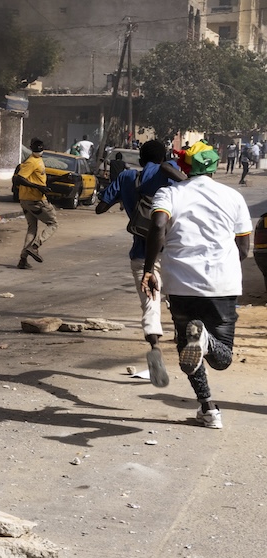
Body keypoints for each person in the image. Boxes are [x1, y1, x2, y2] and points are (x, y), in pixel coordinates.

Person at [140, 143, 252, 429]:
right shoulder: (233, 196)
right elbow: (243, 247)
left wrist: (149, 269)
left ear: (184, 167)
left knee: (186, 347)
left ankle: (208, 407)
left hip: (181, 283)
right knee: (221, 358)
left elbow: (157, 227)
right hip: (223, 284)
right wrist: (224, 266)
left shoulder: (169, 193)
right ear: (214, 166)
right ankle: (206, 346)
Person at [96, 140, 185, 387]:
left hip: (141, 255)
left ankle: (155, 347)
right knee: (179, 298)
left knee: (150, 304)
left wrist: (123, 195)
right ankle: (183, 338)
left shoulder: (127, 177)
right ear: (163, 157)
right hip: (173, 252)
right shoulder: (170, 172)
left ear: (141, 159)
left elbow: (100, 208)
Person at [12, 138, 57, 269]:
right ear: (32, 148)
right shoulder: (31, 162)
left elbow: (40, 179)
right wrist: (38, 188)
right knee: (53, 223)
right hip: (35, 200)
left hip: (26, 201)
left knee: (32, 228)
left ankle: (23, 260)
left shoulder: (38, 161)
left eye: (40, 146)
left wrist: (59, 178)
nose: (39, 149)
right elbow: (20, 179)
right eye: (37, 146)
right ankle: (35, 246)